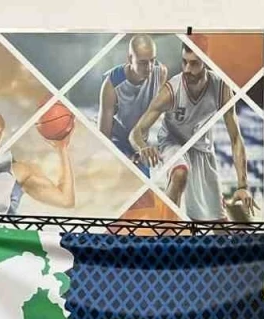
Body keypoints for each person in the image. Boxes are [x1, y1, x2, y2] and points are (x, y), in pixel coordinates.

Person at [129, 42, 253, 221]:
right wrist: (142, 146)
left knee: (218, 224)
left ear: (206, 62)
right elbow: (137, 131)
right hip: (172, 142)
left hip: (202, 149)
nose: (187, 69)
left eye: (194, 63)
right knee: (180, 173)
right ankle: (167, 233)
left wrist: (243, 186)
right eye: (184, 62)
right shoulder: (170, 91)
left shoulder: (222, 88)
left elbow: (235, 138)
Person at [99, 34, 169, 169]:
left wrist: (140, 144)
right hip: (117, 143)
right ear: (130, 59)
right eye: (143, 62)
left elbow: (152, 112)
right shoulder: (110, 85)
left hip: (139, 142)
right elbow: (103, 138)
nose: (149, 67)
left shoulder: (161, 73)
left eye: (152, 60)